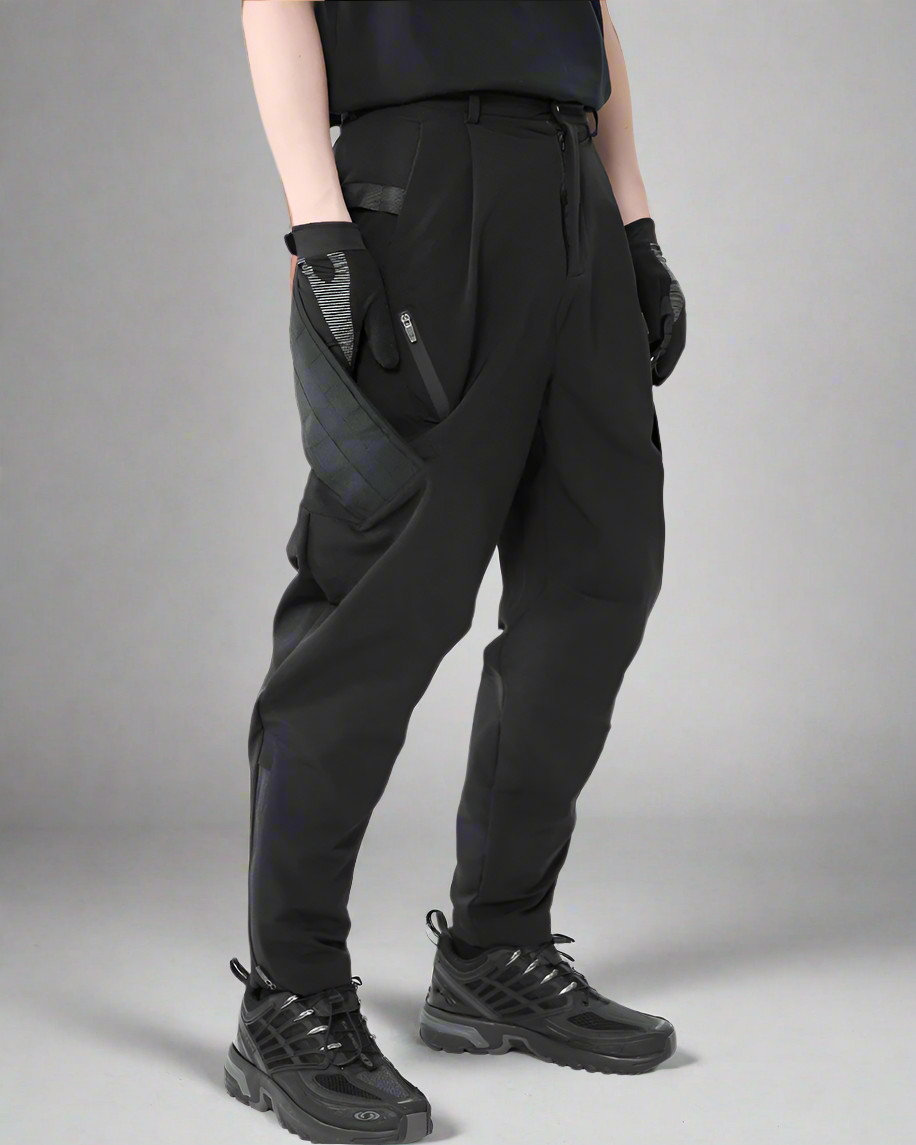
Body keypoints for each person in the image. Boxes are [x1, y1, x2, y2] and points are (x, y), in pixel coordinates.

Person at [227, 2, 686, 1141]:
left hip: (571, 189)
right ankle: (289, 991)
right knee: (381, 599)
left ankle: (497, 948)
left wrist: (632, 219)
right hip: (420, 192)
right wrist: (317, 223)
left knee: (600, 578)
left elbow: (587, 14)